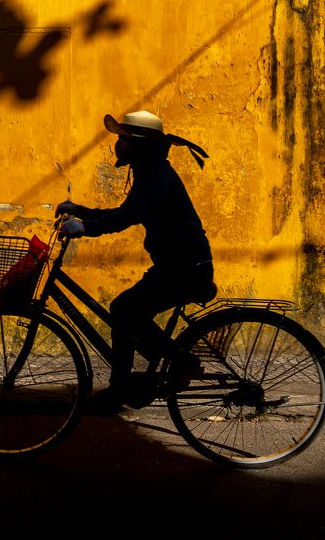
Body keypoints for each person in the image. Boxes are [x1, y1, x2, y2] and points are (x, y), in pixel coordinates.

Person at [57, 110, 216, 412]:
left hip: (185, 268)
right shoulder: (149, 171)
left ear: (140, 145)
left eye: (123, 139)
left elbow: (129, 216)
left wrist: (85, 227)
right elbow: (123, 211)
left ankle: (183, 361)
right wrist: (81, 210)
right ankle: (121, 388)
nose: (118, 145)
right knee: (124, 311)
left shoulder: (156, 175)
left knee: (126, 311)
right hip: (174, 264)